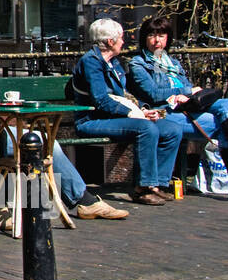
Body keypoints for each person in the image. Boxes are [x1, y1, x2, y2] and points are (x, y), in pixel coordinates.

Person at [0, 31, 128, 223]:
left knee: (42, 141)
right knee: (6, 137)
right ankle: (2, 208)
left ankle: (83, 200)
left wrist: (0, 116)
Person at [128, 15, 228, 202]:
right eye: (152, 35)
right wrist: (186, 91)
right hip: (163, 112)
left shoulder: (173, 63)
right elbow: (153, 94)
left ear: (168, 38)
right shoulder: (138, 63)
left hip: (186, 107)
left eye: (162, 35)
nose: (157, 41)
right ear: (145, 38)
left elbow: (187, 90)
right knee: (224, 125)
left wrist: (186, 96)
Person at [70, 19, 185, 205]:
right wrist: (131, 114)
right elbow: (101, 100)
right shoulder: (91, 63)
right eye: (121, 38)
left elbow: (124, 95)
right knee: (146, 129)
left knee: (172, 129)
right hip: (92, 120)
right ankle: (143, 188)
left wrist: (144, 110)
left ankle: (158, 184)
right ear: (110, 41)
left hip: (114, 118)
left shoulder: (114, 62)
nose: (124, 42)